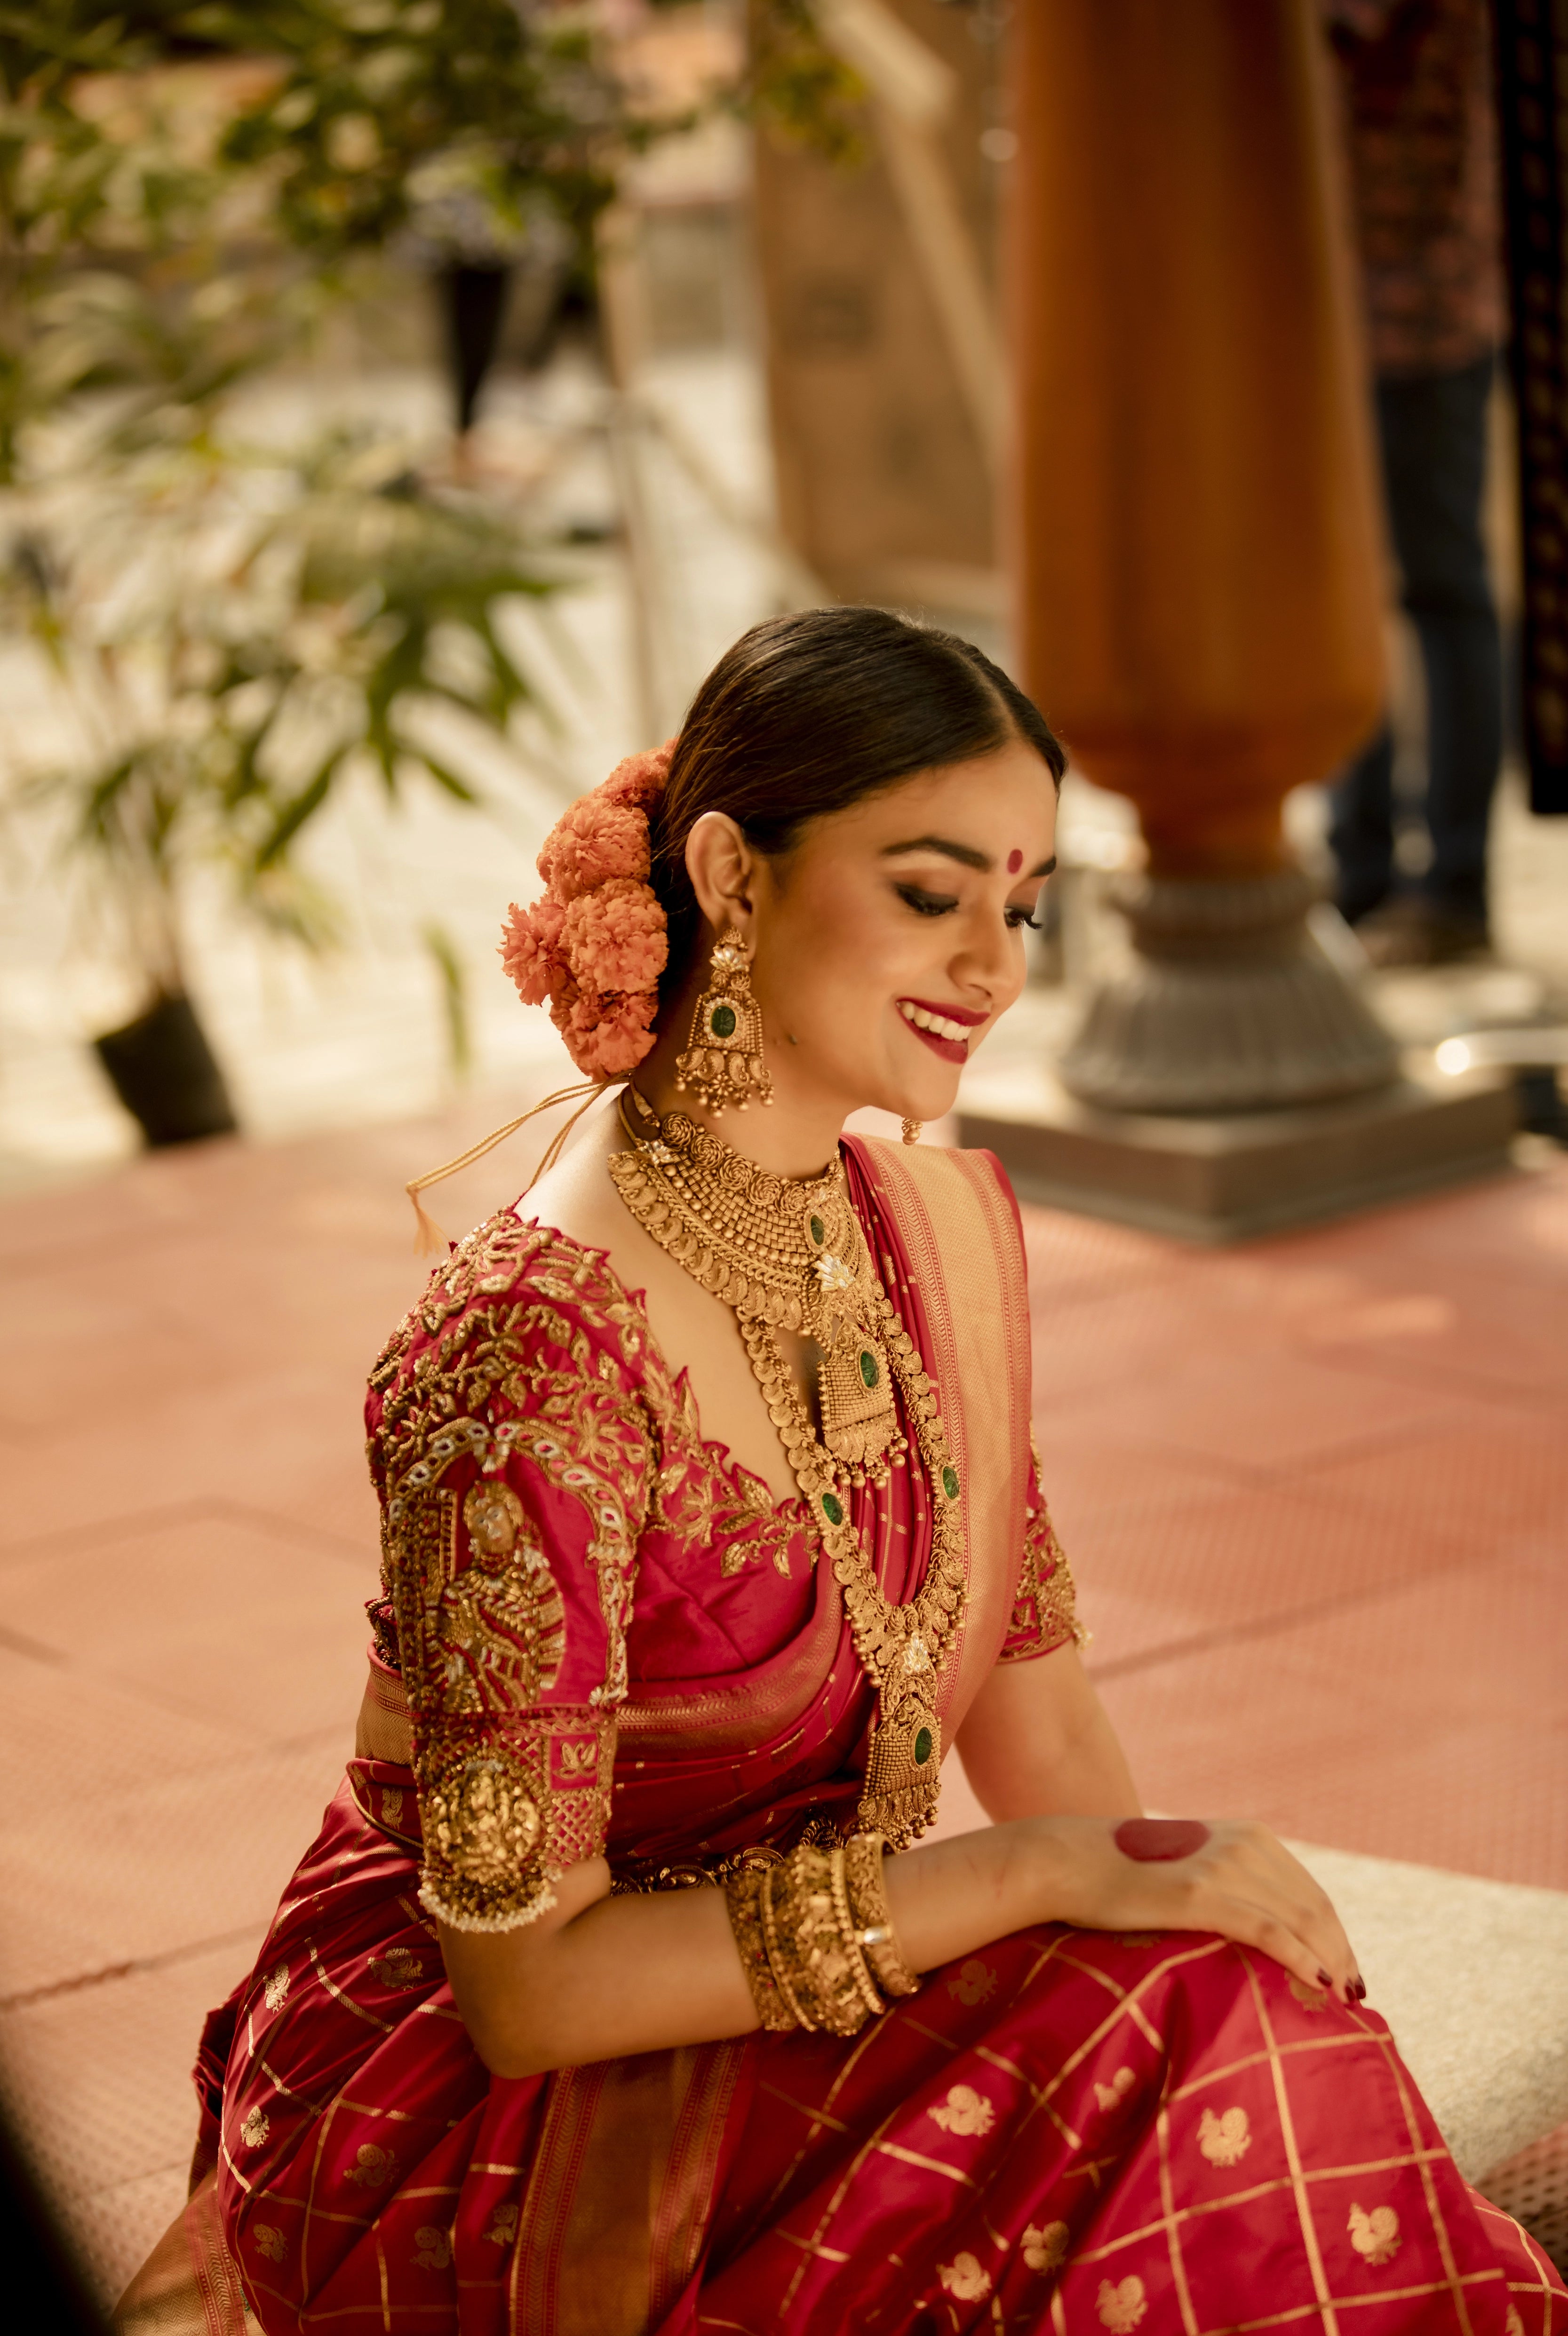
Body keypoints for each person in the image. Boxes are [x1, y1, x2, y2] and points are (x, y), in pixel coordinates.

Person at [117, 610, 1561, 2334]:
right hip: (484, 2098)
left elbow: (1044, 1732)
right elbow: (528, 1990)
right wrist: (1041, 1883)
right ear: (732, 873)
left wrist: (1195, 1908)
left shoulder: (914, 1233)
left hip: (792, 1980)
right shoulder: (529, 1356)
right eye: (931, 893)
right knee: (1159, 2043)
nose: (997, 966)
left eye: (1019, 909)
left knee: (1220, 2011)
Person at [1323, 0, 1507, 966]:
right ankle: (1358, 873)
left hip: (1410, 300)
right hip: (1357, 297)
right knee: (1353, 595)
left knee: (1438, 593)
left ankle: (1451, 885)